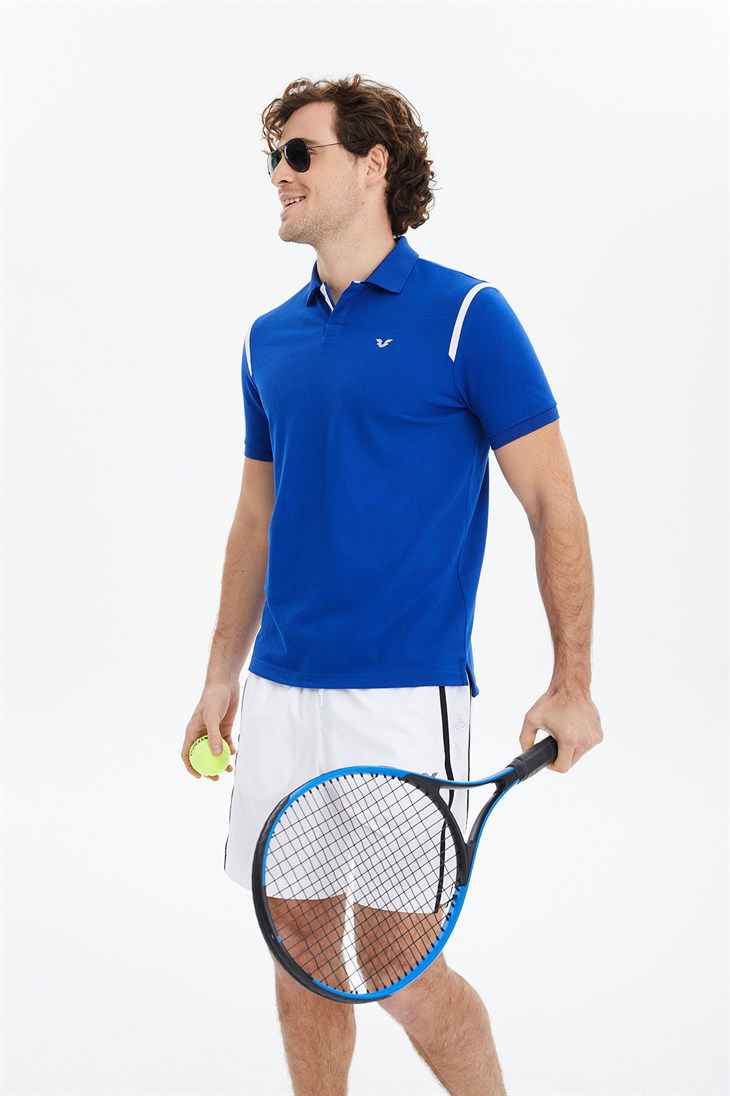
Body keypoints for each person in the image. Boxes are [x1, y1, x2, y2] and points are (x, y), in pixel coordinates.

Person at [182, 73, 603, 1096]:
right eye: (273, 156)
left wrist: (571, 681)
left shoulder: (468, 317)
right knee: (300, 954)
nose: (279, 174)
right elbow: (255, 517)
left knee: (400, 972)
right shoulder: (268, 338)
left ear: (372, 166)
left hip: (406, 703)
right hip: (281, 696)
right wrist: (220, 673)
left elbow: (551, 503)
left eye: (299, 153)